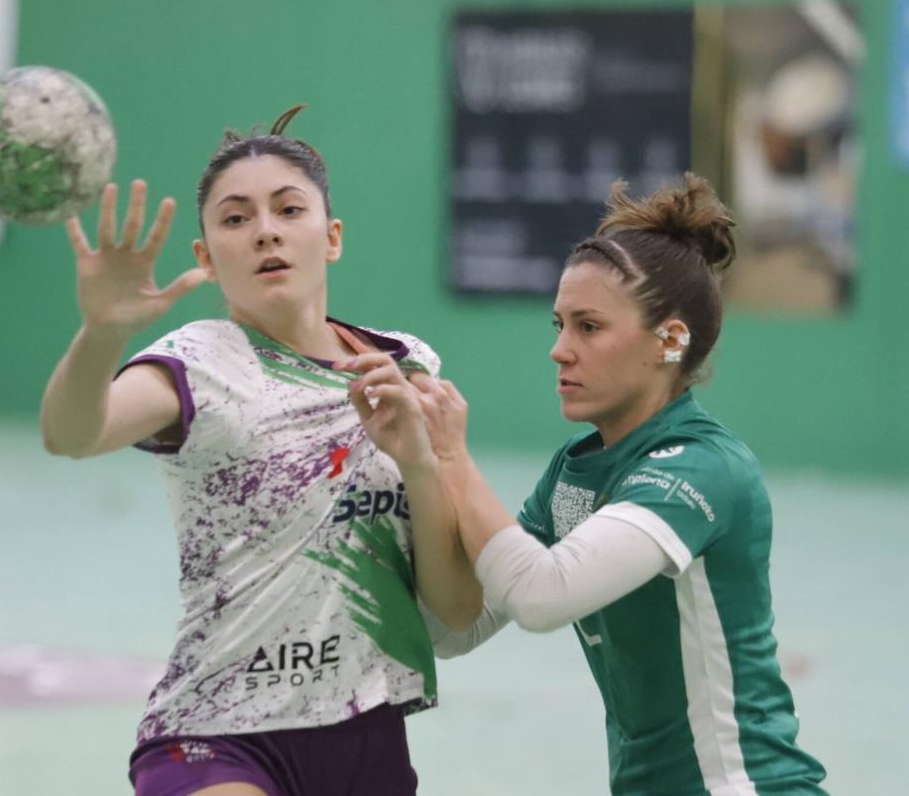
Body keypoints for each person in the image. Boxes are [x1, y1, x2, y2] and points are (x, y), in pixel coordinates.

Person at [339, 174, 829, 795]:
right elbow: (456, 626)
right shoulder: (577, 469)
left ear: (670, 339)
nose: (560, 350)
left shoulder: (702, 467)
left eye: (589, 327)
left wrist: (452, 456)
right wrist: (421, 466)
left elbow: (542, 596)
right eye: (559, 325)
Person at [40, 105, 480, 796]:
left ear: (330, 237)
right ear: (206, 257)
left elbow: (455, 605)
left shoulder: (401, 365)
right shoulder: (195, 365)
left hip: (366, 732)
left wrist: (422, 461)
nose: (266, 231)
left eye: (288, 209)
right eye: (236, 218)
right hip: (215, 736)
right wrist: (101, 333)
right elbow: (71, 434)